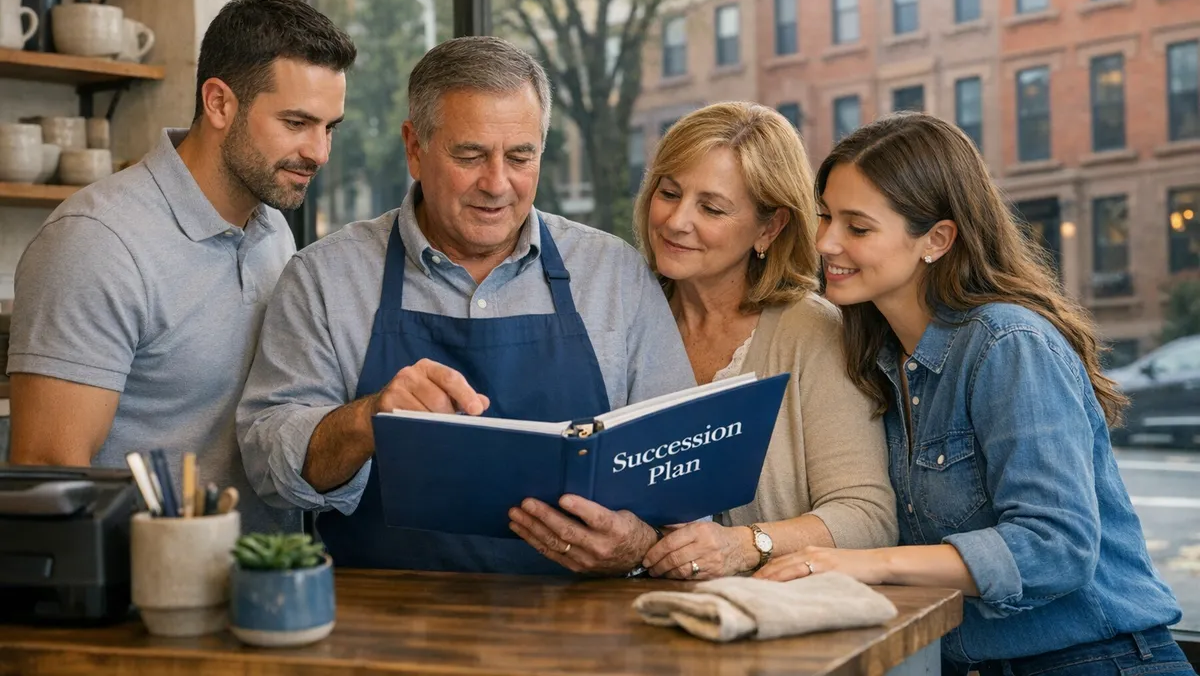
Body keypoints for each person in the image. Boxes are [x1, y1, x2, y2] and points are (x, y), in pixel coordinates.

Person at [236, 35, 695, 574]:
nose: (497, 184)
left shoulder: (614, 275)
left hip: (582, 627)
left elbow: (682, 470)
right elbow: (268, 464)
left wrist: (636, 547)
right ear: (414, 147)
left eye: (520, 156)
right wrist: (366, 420)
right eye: (470, 155)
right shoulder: (324, 278)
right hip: (383, 628)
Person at [757, 112, 1190, 676]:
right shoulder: (878, 357)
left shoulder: (1008, 343)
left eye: (857, 228)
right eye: (825, 217)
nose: (826, 242)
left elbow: (1056, 547)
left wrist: (860, 564)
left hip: (1098, 661)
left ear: (936, 239)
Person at [7, 0, 356, 534]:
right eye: (296, 123)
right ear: (218, 103)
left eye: (329, 127)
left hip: (260, 580)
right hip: (149, 597)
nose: (319, 152)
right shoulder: (96, 243)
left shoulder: (271, 231)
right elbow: (48, 474)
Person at [629, 102, 897, 581]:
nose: (675, 221)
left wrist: (747, 544)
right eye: (669, 192)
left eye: (710, 208)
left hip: (772, 633)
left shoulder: (815, 333)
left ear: (770, 227)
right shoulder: (624, 315)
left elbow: (867, 517)